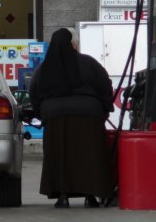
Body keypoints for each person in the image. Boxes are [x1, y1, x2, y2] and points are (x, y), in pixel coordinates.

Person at [29, 28, 115, 208]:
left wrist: (42, 114)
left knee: (59, 156)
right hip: (89, 117)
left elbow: (34, 94)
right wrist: (104, 110)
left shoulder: (44, 68)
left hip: (55, 118)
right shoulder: (89, 63)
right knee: (90, 157)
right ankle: (90, 197)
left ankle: (63, 196)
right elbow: (105, 87)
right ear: (74, 44)